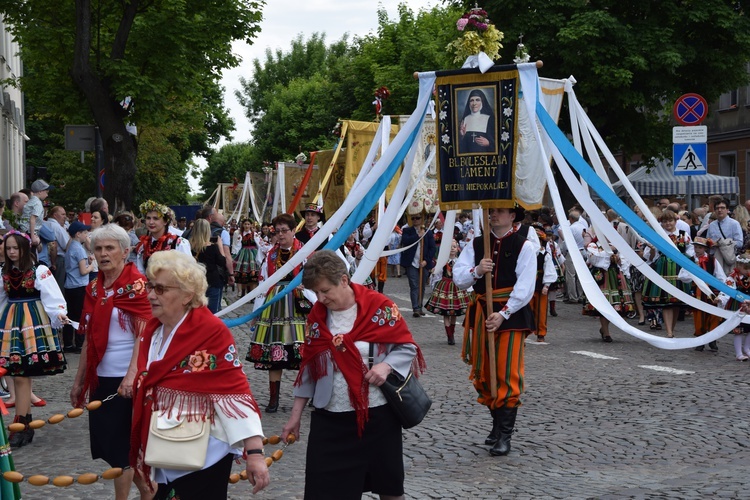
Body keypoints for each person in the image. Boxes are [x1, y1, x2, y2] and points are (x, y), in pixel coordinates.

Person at [281, 250, 423, 500]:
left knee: (389, 489)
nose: (321, 298)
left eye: (325, 290)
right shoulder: (318, 316)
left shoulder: (380, 307)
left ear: (344, 280)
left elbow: (407, 346)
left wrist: (386, 366)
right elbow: (309, 368)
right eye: (316, 293)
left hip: (377, 417)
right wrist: (295, 416)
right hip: (330, 419)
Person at [130, 251, 269, 498]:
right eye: (150, 286)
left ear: (187, 295)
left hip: (204, 455)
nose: (150, 295)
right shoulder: (153, 331)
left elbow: (234, 393)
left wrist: (255, 453)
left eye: (160, 289)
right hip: (163, 450)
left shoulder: (211, 332)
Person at [70, 224, 154, 500]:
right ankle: (148, 493)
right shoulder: (94, 287)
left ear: (125, 252)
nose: (103, 254)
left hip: (128, 380)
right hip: (100, 377)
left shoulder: (138, 286)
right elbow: (89, 338)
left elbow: (143, 338)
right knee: (108, 447)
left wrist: (130, 377)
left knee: (123, 451)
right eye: (98, 248)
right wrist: (79, 380)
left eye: (110, 248)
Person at [454, 206, 536, 457]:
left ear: (513, 217)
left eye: (500, 211)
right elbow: (459, 277)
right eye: (492, 211)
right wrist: (478, 270)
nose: (494, 215)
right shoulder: (477, 244)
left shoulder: (525, 246)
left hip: (510, 314)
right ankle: (496, 425)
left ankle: (505, 435)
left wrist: (503, 314)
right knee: (486, 372)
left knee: (506, 371)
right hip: (481, 311)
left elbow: (525, 286)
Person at [0, 231, 68, 448]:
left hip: (32, 321)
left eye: (15, 248)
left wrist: (59, 313)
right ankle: (24, 423)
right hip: (11, 322)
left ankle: (21, 423)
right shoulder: (4, 273)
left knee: (21, 373)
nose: (11, 252)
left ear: (24, 248)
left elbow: (52, 295)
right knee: (18, 373)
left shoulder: (38, 271)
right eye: (8, 248)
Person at [246, 213, 314, 413]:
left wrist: (309, 294)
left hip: (299, 305)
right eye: (278, 231)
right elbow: (263, 283)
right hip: (274, 305)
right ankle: (273, 398)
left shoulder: (305, 252)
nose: (281, 234)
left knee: (303, 352)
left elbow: (314, 279)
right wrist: (256, 313)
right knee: (274, 352)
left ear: (294, 231)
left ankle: (310, 394)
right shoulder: (270, 255)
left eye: (285, 230)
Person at [641, 210, 694, 337]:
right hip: (663, 268)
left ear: (676, 221)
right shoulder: (658, 235)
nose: (668, 224)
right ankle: (669, 331)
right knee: (666, 302)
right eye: (665, 221)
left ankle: (672, 328)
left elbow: (690, 250)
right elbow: (649, 256)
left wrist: (687, 261)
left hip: (678, 269)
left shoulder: (683, 234)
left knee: (676, 303)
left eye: (670, 221)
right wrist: (653, 251)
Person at [581, 229, 633, 342]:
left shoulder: (617, 246)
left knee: (614, 305)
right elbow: (594, 259)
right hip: (602, 278)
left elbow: (625, 261)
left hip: (616, 277)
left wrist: (618, 259)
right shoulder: (593, 245)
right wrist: (609, 252)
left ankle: (604, 329)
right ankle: (606, 332)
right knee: (604, 305)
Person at [678, 237, 726, 352]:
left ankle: (712, 339)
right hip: (697, 292)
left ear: (705, 248)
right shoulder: (690, 260)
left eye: (700, 247)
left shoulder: (712, 260)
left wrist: (721, 292)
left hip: (711, 292)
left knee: (713, 315)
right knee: (699, 316)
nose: (697, 250)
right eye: (695, 247)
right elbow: (682, 276)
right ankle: (700, 340)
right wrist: (694, 275)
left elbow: (721, 277)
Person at [425, 239, 469, 345]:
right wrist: (434, 278)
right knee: (445, 312)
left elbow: (464, 274)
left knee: (454, 311)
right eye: (450, 247)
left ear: (457, 248)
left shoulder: (460, 261)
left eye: (454, 247)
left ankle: (452, 333)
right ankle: (449, 335)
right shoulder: (443, 262)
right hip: (445, 285)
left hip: (457, 286)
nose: (452, 249)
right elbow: (438, 274)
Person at [134, 200, 191, 274]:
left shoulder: (179, 243)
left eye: (155, 218)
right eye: (148, 218)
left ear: (165, 222)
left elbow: (189, 271)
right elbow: (141, 272)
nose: (151, 222)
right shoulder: (143, 245)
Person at [63, 221, 94, 353]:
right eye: (85, 233)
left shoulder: (71, 246)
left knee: (70, 315)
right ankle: (80, 343)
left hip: (70, 285)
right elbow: (83, 271)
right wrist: (91, 266)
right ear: (78, 234)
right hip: (79, 286)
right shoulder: (79, 249)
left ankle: (68, 343)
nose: (86, 235)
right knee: (80, 315)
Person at [400, 213, 436, 317]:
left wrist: (426, 261)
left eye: (418, 218)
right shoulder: (407, 231)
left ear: (422, 219)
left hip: (423, 263)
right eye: (413, 218)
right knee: (414, 285)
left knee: (422, 286)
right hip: (411, 262)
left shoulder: (428, 233)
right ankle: (415, 307)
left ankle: (420, 306)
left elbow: (432, 248)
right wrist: (417, 236)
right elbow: (405, 241)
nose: (415, 220)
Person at [189, 219, 227, 314]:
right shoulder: (212, 247)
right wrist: (220, 246)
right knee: (213, 313)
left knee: (196, 311)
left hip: (196, 281)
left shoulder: (188, 246)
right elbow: (222, 262)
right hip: (212, 281)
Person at [529, 228, 557, 343]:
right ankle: (524, 331)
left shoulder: (545, 254)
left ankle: (541, 333)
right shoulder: (526, 253)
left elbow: (549, 270)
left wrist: (546, 285)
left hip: (540, 284)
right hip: (528, 284)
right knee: (526, 309)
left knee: (541, 310)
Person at [458, 88, 496, 154]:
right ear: (469, 103)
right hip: (468, 158)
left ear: (482, 102)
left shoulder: (489, 119)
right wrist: (462, 136)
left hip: (485, 158)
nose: (474, 103)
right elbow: (460, 147)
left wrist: (488, 143)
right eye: (471, 100)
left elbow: (497, 141)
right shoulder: (465, 119)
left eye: (477, 100)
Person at [18, 180, 52, 247]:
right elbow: (32, 218)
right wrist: (33, 236)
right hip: (30, 233)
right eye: (46, 192)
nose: (47, 195)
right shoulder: (38, 203)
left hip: (24, 230)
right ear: (40, 191)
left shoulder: (31, 201)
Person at [232, 218, 260, 298]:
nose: (247, 226)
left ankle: (253, 294)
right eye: (245, 224)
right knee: (242, 274)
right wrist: (234, 254)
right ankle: (242, 292)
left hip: (253, 254)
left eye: (248, 224)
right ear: (243, 225)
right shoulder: (240, 234)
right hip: (243, 254)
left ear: (251, 225)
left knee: (253, 274)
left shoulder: (254, 234)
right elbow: (237, 245)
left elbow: (259, 243)